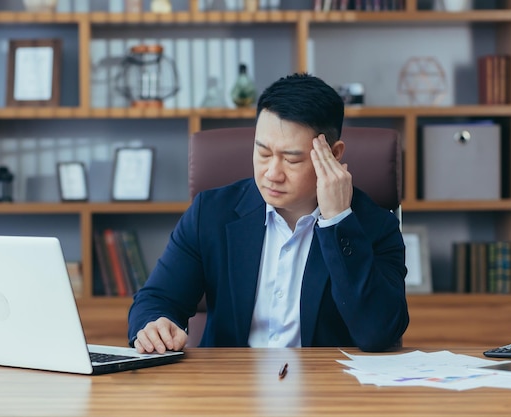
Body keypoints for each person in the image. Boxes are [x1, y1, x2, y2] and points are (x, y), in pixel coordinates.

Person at [128, 73, 409, 353]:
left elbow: (379, 333)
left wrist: (337, 221)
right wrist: (155, 324)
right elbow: (157, 299)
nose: (272, 174)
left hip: (326, 390)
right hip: (227, 386)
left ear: (334, 155)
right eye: (263, 153)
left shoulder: (375, 226)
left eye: (291, 159)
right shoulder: (211, 213)